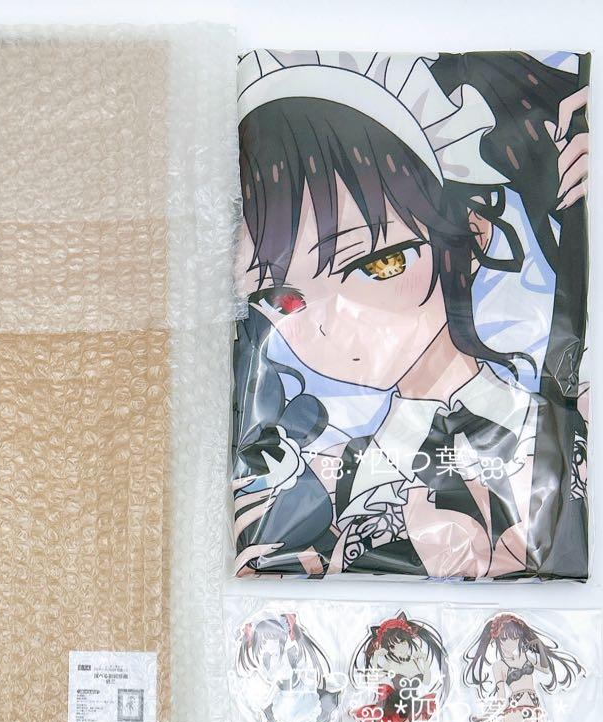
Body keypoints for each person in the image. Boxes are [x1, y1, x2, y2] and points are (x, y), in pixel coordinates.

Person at [232, 51, 589, 579]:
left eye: (378, 263)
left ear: (471, 231)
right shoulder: (326, 489)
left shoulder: (573, 418)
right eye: (284, 300)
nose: (333, 324)